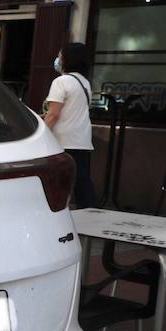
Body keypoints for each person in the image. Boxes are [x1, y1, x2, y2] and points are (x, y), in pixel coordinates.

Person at [42, 41, 97, 208]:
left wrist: (42, 133)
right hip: (82, 140)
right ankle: (90, 213)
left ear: (68, 59)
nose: (58, 59)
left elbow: (53, 114)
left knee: (57, 181)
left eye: (60, 56)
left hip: (63, 140)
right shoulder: (85, 83)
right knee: (82, 182)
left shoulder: (61, 82)